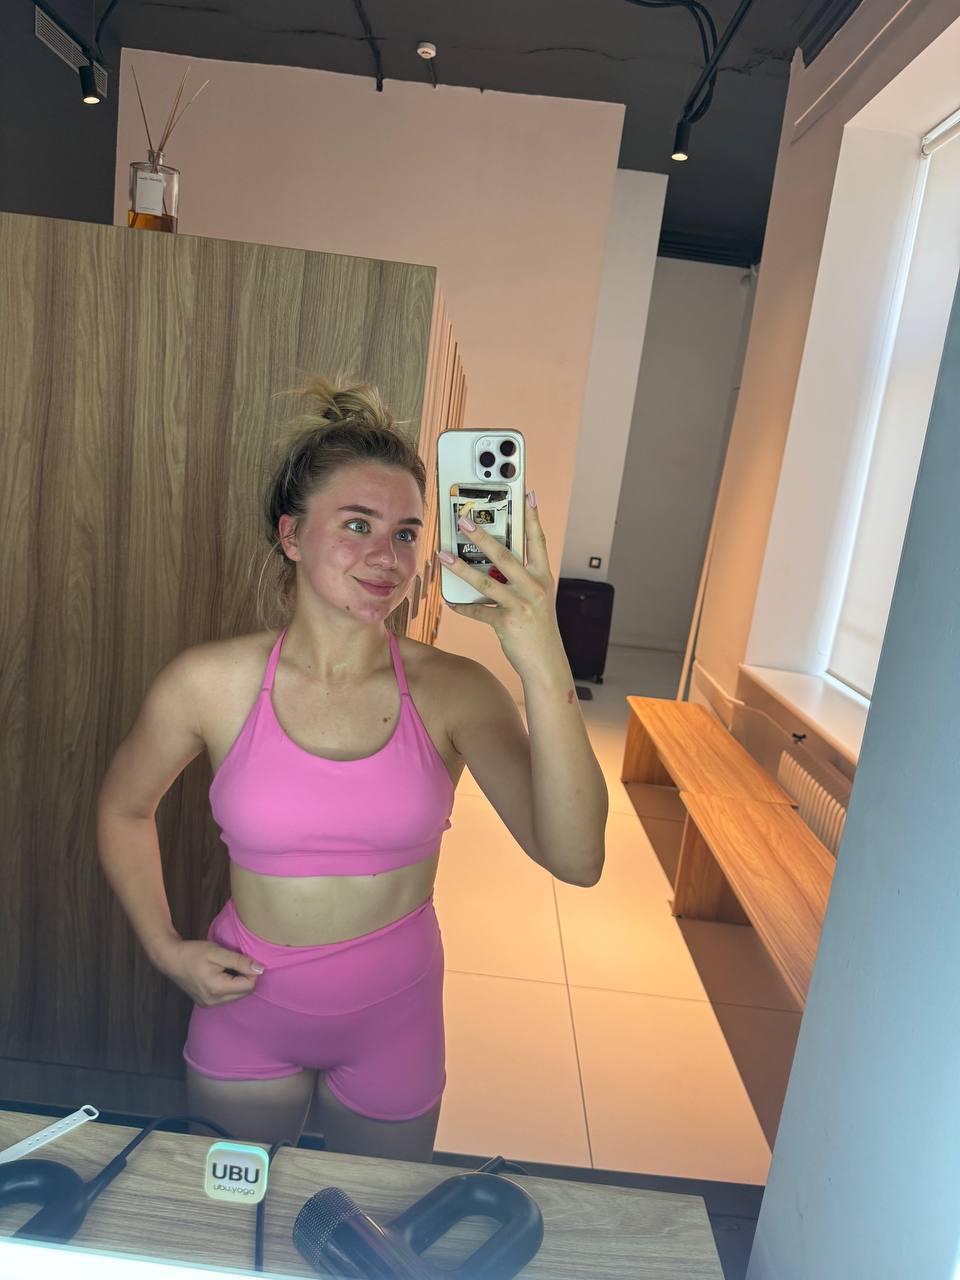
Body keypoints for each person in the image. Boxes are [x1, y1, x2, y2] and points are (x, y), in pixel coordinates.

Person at [96, 375, 607, 1161]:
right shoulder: (209, 683)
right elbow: (124, 809)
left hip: (396, 1022)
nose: (386, 557)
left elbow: (576, 858)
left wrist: (541, 655)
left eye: (406, 534)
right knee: (237, 1218)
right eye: (357, 524)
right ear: (292, 535)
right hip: (246, 1012)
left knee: (373, 1228)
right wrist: (166, 949)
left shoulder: (456, 692)